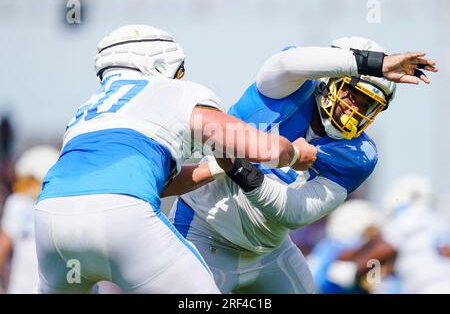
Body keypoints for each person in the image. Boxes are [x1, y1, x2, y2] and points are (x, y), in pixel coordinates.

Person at [34, 25, 315, 294]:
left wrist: (215, 168)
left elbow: (156, 183)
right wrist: (294, 153)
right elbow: (263, 149)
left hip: (51, 221)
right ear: (160, 61)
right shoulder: (174, 91)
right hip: (124, 216)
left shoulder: (85, 112)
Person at [169, 36, 437, 293]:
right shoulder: (286, 87)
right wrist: (374, 64)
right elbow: (289, 62)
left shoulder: (358, 154)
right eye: (353, 94)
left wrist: (238, 168)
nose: (356, 109)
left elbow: (294, 213)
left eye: (367, 104)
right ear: (328, 80)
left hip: (269, 251)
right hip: (204, 230)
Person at [0, 146, 59, 293]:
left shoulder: (60, 205)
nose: (25, 186)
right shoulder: (18, 202)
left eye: (31, 180)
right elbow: (3, 245)